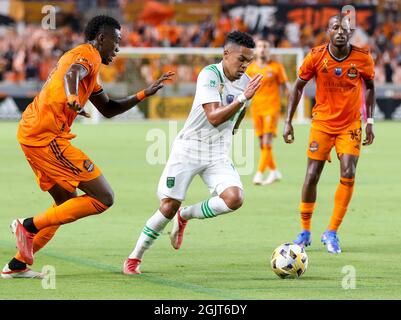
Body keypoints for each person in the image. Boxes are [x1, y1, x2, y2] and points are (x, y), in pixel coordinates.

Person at [1, 15, 174, 279]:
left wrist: (143, 94)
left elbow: (108, 109)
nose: (117, 49)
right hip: (47, 137)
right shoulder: (88, 55)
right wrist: (72, 97)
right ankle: (27, 226)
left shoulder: (85, 65)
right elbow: (73, 75)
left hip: (32, 132)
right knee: (104, 198)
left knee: (65, 204)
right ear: (101, 39)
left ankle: (18, 265)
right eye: (116, 42)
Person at [123, 31, 262, 274]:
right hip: (189, 148)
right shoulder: (209, 74)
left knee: (234, 199)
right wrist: (243, 97)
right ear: (226, 53)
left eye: (248, 61)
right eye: (241, 59)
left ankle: (185, 215)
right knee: (168, 206)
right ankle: (134, 258)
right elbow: (214, 117)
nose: (244, 66)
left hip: (217, 153)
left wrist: (233, 130)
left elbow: (237, 117)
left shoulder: (246, 82)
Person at [283, 14, 375, 254]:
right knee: (312, 175)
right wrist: (288, 121)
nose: (341, 32)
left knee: (349, 172)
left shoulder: (363, 58)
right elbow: (298, 86)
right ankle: (305, 230)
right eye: (336, 27)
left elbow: (371, 88)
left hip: (350, 125)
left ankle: (332, 231)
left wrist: (370, 121)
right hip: (322, 124)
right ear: (328, 32)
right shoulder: (316, 56)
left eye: (345, 28)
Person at [247, 39, 290, 185]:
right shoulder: (251, 68)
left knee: (267, 141)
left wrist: (289, 105)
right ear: (256, 50)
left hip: (271, 108)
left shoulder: (276, 67)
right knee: (261, 143)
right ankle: (274, 171)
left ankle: (259, 174)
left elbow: (286, 87)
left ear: (269, 50)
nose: (262, 49)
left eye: (265, 46)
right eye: (259, 46)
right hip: (256, 109)